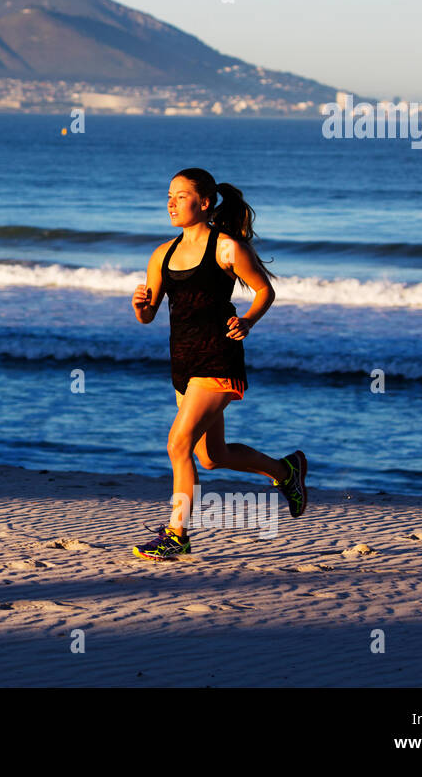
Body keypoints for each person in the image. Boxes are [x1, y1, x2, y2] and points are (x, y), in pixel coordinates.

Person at [129, 168, 306, 560]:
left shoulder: (227, 247)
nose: (171, 202)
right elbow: (150, 313)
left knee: (178, 445)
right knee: (212, 456)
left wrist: (247, 321)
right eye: (169, 195)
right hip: (183, 362)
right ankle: (286, 471)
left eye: (181, 195)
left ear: (205, 202)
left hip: (218, 358)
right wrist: (140, 308)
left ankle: (178, 533)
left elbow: (264, 290)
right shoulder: (163, 254)